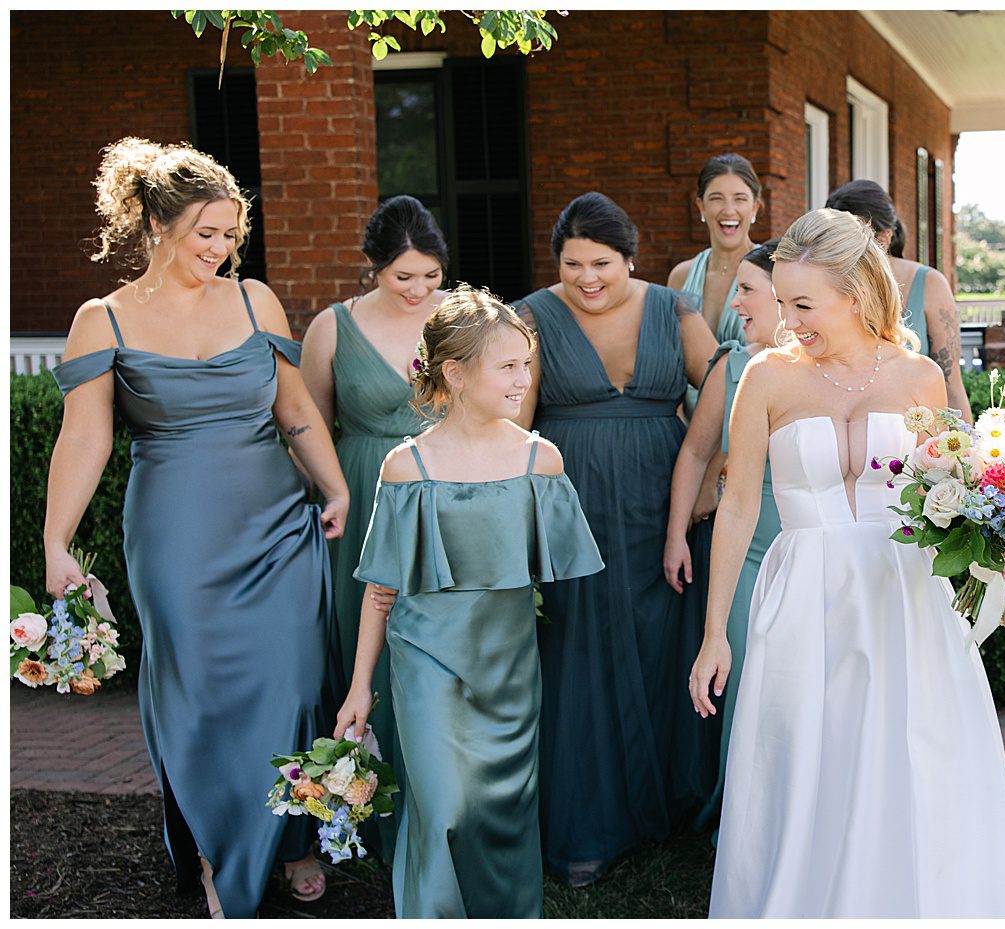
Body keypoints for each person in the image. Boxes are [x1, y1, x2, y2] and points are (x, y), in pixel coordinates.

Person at [690, 209, 1005, 917]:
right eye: (782, 301)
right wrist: (714, 632)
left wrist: (997, 544)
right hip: (804, 599)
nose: (788, 319)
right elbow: (736, 505)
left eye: (803, 304)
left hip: (904, 595)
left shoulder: (917, 376)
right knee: (811, 761)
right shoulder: (763, 376)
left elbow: (957, 489)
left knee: (908, 754)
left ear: (854, 294)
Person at [45, 137, 345, 916]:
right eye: (205, 234)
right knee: (198, 693)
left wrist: (335, 486)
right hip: (176, 531)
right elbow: (87, 437)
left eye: (229, 234)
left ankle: (293, 840)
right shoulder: (102, 317)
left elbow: (296, 411)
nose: (220, 249)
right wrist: (54, 542)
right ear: (155, 224)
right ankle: (217, 849)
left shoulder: (256, 301)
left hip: (275, 523)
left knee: (291, 680)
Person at [337, 287, 604, 917]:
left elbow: (552, 567)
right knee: (445, 808)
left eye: (525, 363)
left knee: (502, 813)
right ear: (454, 374)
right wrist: (359, 688)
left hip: (509, 671)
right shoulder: (408, 467)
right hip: (428, 664)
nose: (524, 379)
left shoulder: (541, 460)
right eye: (507, 366)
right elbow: (381, 593)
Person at [518, 192, 721, 886]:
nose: (587, 278)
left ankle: (666, 804)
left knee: (660, 640)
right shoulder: (531, 317)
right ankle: (590, 821)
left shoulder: (674, 309)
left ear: (630, 257)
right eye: (572, 264)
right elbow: (514, 425)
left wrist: (708, 480)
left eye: (601, 262)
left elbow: (727, 386)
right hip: (571, 505)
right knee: (578, 654)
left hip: (661, 507)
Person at [299, 196, 450, 862]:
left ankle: (435, 802)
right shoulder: (332, 328)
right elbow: (310, 427)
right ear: (373, 269)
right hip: (363, 493)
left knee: (434, 641)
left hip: (444, 490)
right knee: (364, 641)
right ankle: (363, 802)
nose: (419, 291)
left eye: (431, 276)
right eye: (404, 277)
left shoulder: (456, 321)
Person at [662, 241, 787, 839]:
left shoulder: (837, 373)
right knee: (745, 684)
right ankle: (745, 826)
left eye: (747, 290)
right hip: (747, 552)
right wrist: (677, 533)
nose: (733, 302)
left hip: (818, 551)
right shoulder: (733, 365)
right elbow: (695, 452)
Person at [824, 179, 973, 415]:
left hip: (917, 436)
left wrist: (965, 449)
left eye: (851, 241)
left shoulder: (930, 285)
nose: (841, 252)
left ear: (885, 238)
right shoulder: (825, 287)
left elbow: (951, 386)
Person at [667, 154, 762, 344]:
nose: (728, 210)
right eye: (716, 198)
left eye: (739, 199)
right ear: (701, 207)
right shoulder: (681, 276)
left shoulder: (773, 271)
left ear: (754, 208)